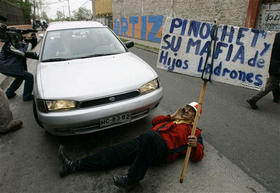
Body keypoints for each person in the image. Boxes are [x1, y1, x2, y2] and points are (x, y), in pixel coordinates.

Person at [58, 102, 204, 189]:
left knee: (150, 136)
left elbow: (198, 156)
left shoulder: (194, 131)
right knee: (113, 152)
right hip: (146, 142)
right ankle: (73, 165)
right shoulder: (173, 119)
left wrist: (195, 145)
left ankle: (132, 179)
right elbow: (155, 122)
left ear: (195, 118)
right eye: (186, 108)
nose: (186, 111)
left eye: (191, 111)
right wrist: (172, 116)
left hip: (163, 150)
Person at [0, 24, 35, 101]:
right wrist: (28, 43)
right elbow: (22, 53)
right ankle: (27, 96)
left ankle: (9, 93)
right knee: (29, 77)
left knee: (20, 78)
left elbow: (24, 50)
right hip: (6, 66)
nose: (20, 36)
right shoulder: (9, 45)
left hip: (9, 65)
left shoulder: (16, 43)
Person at [247, 32, 280, 109]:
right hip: (278, 65)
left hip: (271, 62)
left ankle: (276, 97)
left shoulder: (276, 35)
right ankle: (253, 99)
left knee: (274, 81)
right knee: (272, 83)